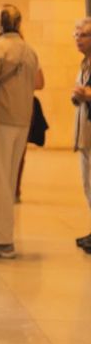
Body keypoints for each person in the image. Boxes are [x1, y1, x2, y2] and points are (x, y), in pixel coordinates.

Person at [0, 5, 43, 259]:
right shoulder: (29, 50)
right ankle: (4, 239)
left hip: (0, 121)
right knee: (9, 180)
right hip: (22, 121)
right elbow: (37, 83)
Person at [72, 17, 91, 253]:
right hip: (84, 133)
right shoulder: (84, 63)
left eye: (83, 35)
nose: (78, 39)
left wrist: (86, 93)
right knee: (87, 184)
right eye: (76, 35)